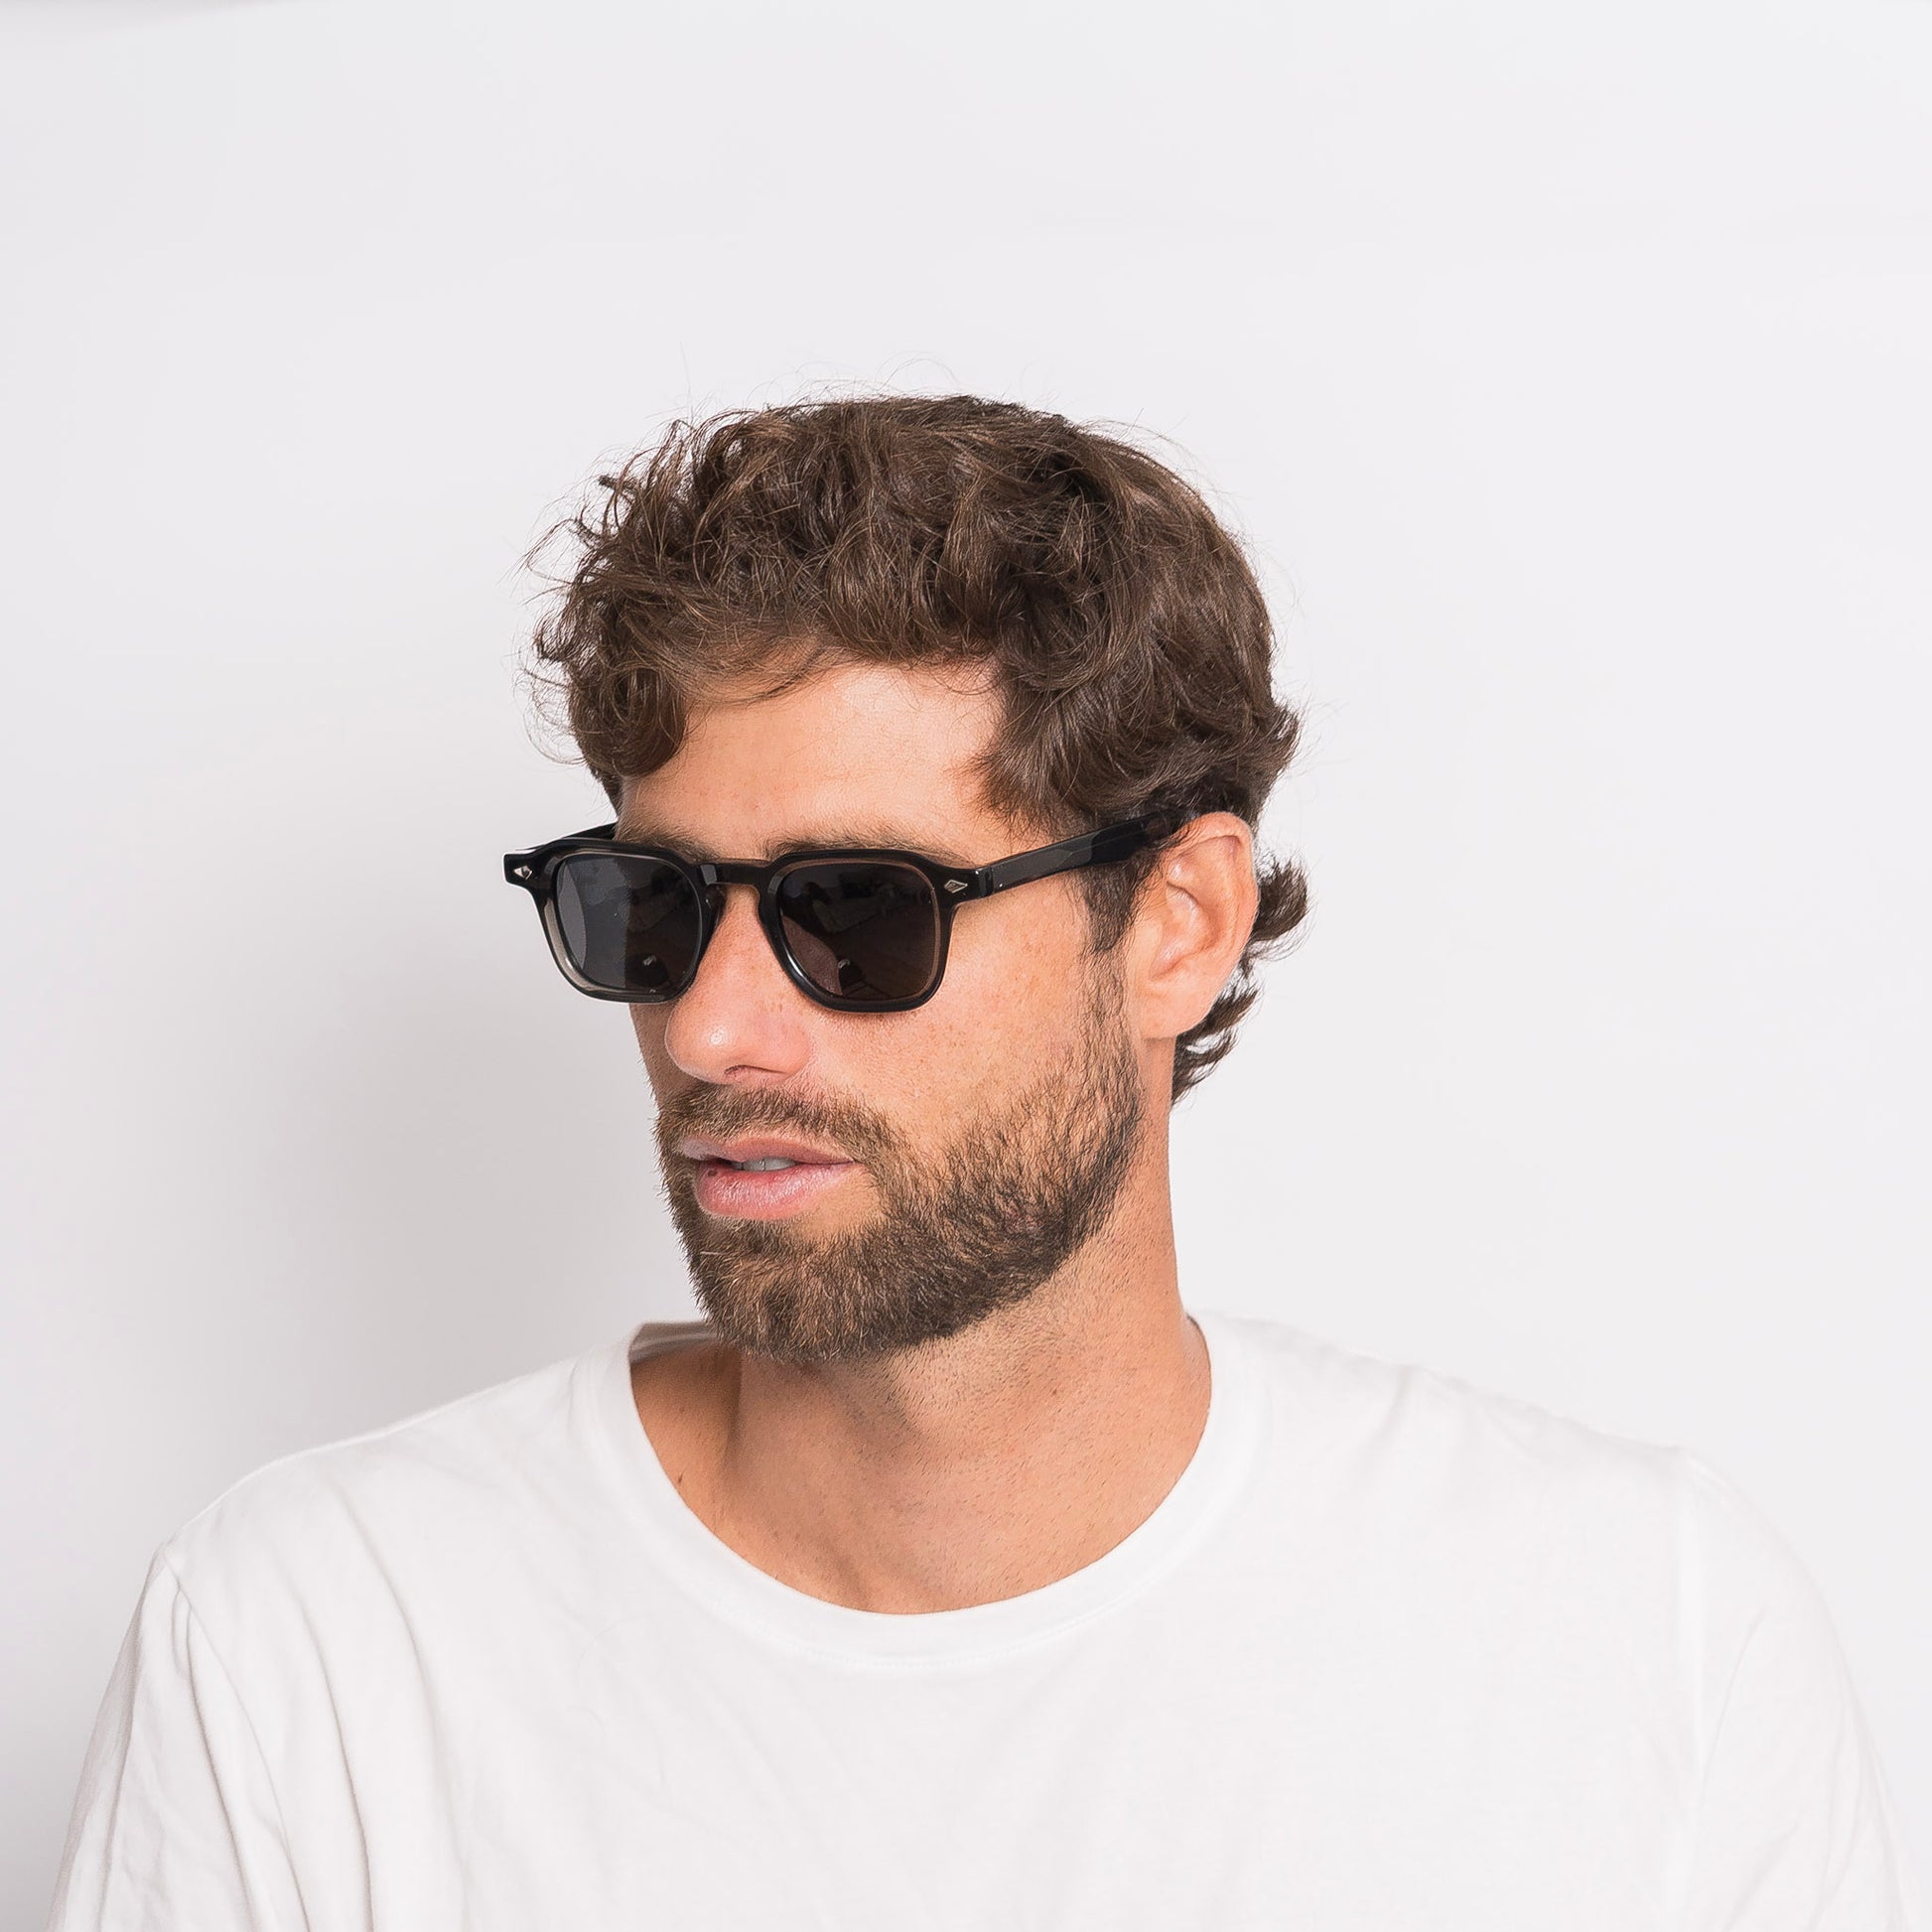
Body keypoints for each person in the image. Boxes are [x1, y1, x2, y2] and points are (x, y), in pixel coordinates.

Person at [48, 396, 1927, 1931]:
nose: (710, 1031)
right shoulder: (321, 1639)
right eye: (653, 907)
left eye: (854, 911)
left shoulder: (1632, 1634)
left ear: (1176, 922)